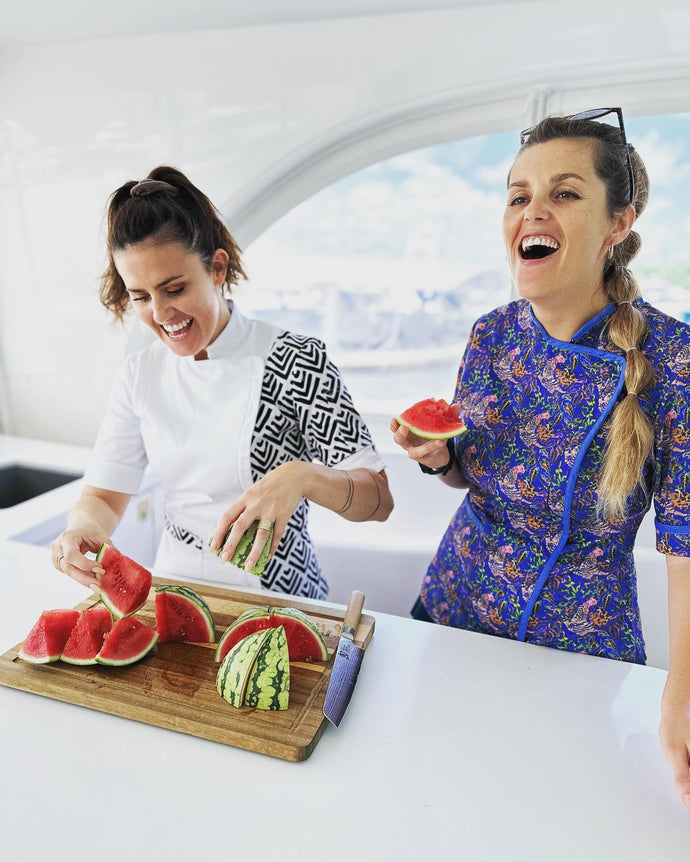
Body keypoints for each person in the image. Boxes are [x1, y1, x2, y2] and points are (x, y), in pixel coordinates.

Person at [391, 109, 690, 809]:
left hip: (578, 647)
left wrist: (682, 687)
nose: (533, 211)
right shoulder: (489, 334)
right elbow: (469, 474)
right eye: (518, 194)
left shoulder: (675, 360)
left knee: (554, 816)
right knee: (435, 802)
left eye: (564, 193)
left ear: (620, 222)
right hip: (453, 610)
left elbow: (686, 542)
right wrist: (440, 459)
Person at [52, 166, 393, 600]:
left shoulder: (296, 358)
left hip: (279, 594)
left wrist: (301, 476)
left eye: (174, 289)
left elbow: (378, 501)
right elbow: (102, 498)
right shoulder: (141, 372)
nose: (159, 313)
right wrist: (80, 530)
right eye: (140, 296)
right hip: (175, 584)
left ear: (216, 268)